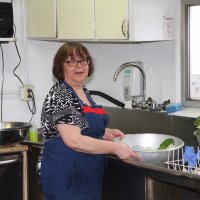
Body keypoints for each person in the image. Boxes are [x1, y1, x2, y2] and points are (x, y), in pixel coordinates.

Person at [40, 41, 143, 200]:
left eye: (83, 60)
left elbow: (80, 125)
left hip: (86, 175)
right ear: (61, 67)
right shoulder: (61, 94)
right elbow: (74, 140)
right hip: (66, 175)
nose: (79, 66)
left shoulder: (83, 92)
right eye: (72, 61)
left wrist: (106, 132)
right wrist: (114, 148)